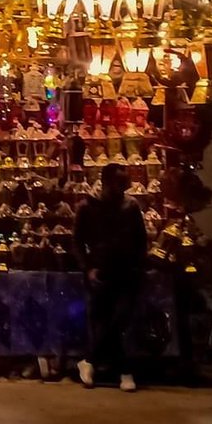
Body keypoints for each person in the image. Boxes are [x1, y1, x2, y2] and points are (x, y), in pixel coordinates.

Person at [73, 162, 149, 392]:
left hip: (127, 272)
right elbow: (77, 242)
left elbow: (140, 240)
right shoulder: (87, 207)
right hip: (101, 270)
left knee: (119, 319)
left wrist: (138, 265)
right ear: (106, 182)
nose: (123, 186)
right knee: (104, 320)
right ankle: (124, 370)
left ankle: (90, 360)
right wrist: (88, 268)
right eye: (119, 182)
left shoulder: (131, 207)